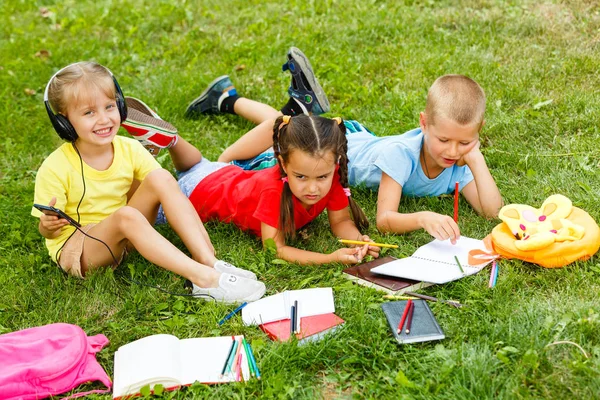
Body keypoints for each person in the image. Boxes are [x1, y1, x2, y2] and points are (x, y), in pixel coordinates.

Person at [187, 49, 503, 244]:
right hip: (335, 147)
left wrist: (475, 159)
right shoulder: (403, 155)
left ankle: (226, 97)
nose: (451, 150)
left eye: (464, 141)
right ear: (423, 124)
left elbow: (492, 212)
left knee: (285, 124)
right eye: (444, 140)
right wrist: (422, 218)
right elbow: (385, 219)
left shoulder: (458, 160)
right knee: (282, 132)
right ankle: (225, 160)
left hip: (356, 138)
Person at [32, 61, 265, 303]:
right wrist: (47, 226)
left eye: (109, 106)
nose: (103, 119)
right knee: (126, 216)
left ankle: (209, 261)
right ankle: (204, 280)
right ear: (64, 122)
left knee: (161, 177)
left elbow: (163, 189)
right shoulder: (55, 167)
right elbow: (46, 231)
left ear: (121, 106)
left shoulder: (129, 148)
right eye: (89, 112)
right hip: (81, 250)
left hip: (126, 232)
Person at [122, 96, 380, 265]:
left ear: (334, 165)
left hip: (216, 174)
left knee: (197, 166)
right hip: (191, 197)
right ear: (282, 165)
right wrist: (330, 258)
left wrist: (357, 241)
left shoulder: (331, 176)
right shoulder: (274, 190)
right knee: (144, 208)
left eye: (321, 177)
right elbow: (275, 249)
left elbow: (342, 221)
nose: (313, 187)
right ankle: (137, 158)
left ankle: (172, 140)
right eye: (301, 177)